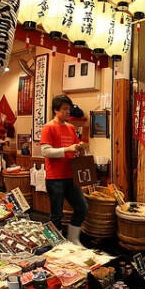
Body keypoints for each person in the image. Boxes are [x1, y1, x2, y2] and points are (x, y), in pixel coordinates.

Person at [40, 94, 88, 244]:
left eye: (69, 109)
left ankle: (73, 239)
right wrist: (68, 148)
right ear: (56, 110)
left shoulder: (71, 128)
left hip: (71, 176)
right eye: (65, 109)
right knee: (57, 214)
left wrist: (79, 150)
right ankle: (56, 244)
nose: (68, 112)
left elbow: (73, 149)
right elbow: (46, 152)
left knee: (82, 207)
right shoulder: (48, 127)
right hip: (55, 178)